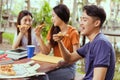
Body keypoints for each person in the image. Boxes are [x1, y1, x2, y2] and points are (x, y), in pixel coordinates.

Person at [55, 5, 116, 80]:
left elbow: (98, 78)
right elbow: (69, 58)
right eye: (81, 19)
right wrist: (60, 42)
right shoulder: (91, 43)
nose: (81, 23)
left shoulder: (101, 43)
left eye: (84, 20)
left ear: (96, 23)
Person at [35, 4, 80, 80]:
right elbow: (46, 52)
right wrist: (38, 36)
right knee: (37, 74)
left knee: (43, 77)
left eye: (53, 16)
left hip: (69, 68)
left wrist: (62, 63)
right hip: (56, 65)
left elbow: (76, 57)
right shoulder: (53, 30)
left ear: (61, 16)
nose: (52, 19)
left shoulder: (73, 33)